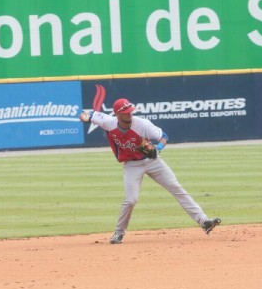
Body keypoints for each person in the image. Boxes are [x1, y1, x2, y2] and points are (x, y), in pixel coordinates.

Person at [79, 98, 221, 244]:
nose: (130, 114)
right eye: (126, 112)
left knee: (176, 188)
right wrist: (84, 118)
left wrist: (158, 148)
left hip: (152, 161)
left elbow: (163, 136)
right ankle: (119, 233)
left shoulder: (142, 124)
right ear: (117, 114)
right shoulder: (108, 122)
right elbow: (87, 114)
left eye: (130, 111)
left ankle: (204, 221)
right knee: (131, 200)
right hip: (131, 165)